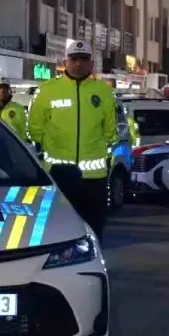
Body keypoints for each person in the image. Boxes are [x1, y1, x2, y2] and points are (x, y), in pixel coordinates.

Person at [27, 39, 118, 236]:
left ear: (91, 63)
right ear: (66, 61)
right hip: (59, 176)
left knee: (94, 229)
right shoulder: (47, 90)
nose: (78, 63)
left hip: (94, 179)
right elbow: (35, 128)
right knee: (58, 232)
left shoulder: (104, 92)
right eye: (74, 59)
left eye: (84, 59)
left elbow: (110, 131)